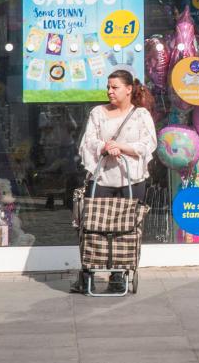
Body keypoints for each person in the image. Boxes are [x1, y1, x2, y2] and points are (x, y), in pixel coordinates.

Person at [71, 69, 157, 293]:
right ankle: (89, 270)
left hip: (132, 180)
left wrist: (122, 147)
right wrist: (104, 146)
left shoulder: (141, 115)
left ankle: (118, 274)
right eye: (108, 87)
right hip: (102, 179)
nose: (109, 91)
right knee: (93, 227)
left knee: (127, 229)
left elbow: (148, 144)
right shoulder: (98, 113)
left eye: (115, 87)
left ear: (129, 90)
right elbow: (88, 140)